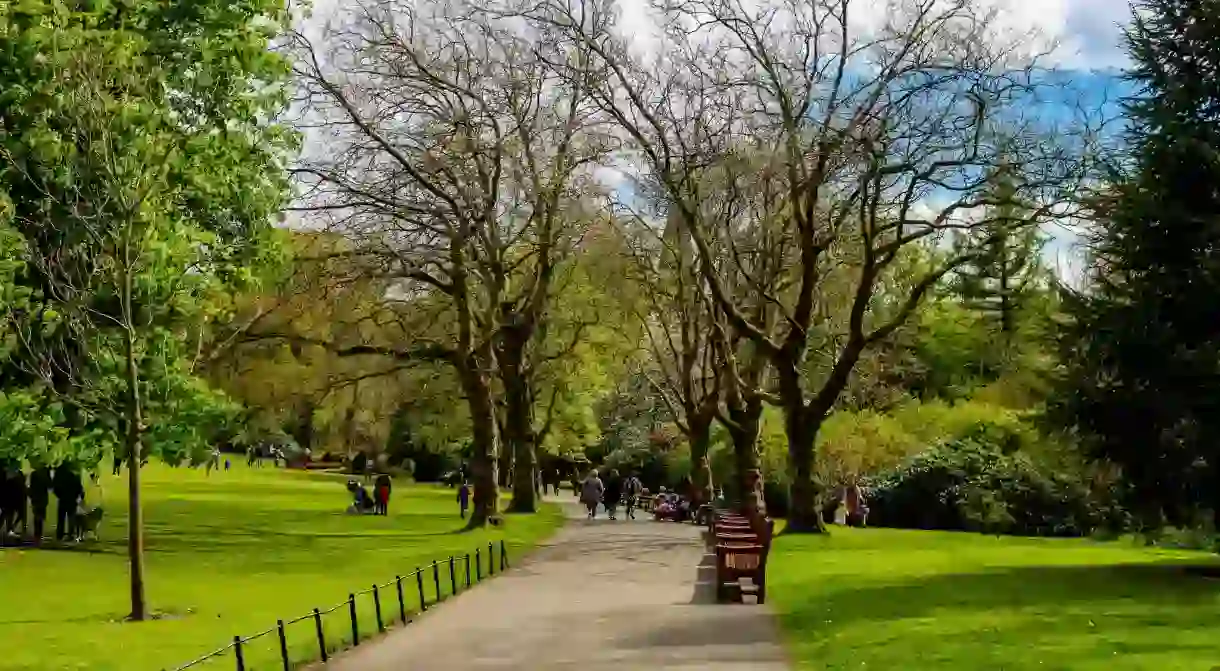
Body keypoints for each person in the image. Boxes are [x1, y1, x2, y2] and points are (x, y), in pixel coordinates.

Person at [53, 463, 83, 542]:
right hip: (72, 500)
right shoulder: (74, 477)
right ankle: (70, 534)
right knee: (71, 518)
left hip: (63, 499)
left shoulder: (60, 478)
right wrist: (77, 498)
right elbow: (80, 489)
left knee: (61, 519)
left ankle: (60, 535)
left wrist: (59, 495)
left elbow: (55, 488)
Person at [29, 465, 51, 543]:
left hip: (35, 498)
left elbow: (31, 486)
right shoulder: (46, 474)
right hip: (43, 498)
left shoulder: (34, 474)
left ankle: (37, 535)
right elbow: (49, 485)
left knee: (37, 516)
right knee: (41, 516)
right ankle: (39, 535)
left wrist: (31, 496)